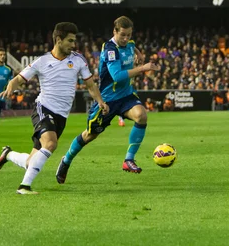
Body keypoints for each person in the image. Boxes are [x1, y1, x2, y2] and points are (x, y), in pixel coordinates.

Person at [0, 22, 108, 195]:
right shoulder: (42, 61)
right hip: (43, 108)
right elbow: (19, 78)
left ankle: (8, 154)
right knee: (51, 143)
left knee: (32, 162)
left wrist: (100, 101)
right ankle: (24, 186)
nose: (73, 45)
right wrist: (11, 86)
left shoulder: (78, 60)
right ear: (58, 40)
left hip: (62, 116)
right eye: (70, 40)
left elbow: (90, 85)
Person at [56, 16, 159, 185]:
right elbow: (117, 76)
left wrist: (138, 53)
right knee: (90, 135)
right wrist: (143, 68)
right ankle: (66, 160)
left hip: (126, 96)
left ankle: (128, 160)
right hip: (107, 101)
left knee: (141, 116)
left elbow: (133, 45)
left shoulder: (130, 43)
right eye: (123, 35)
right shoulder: (110, 49)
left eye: (129, 35)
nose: (126, 39)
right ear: (115, 32)